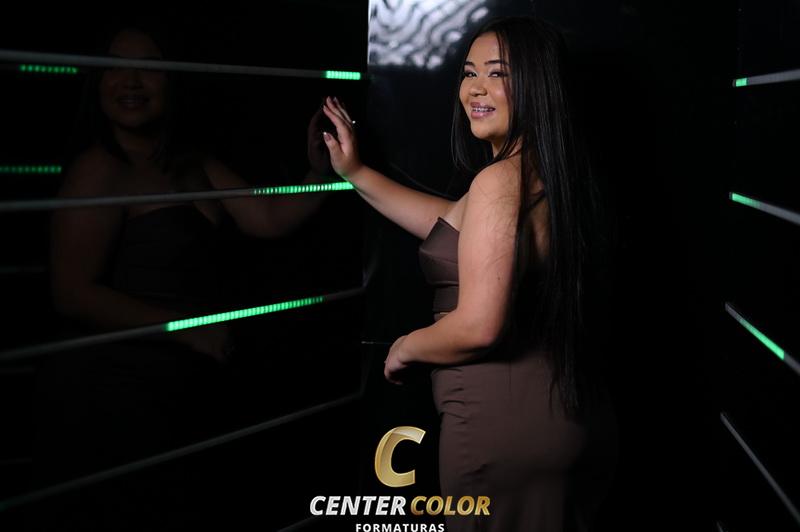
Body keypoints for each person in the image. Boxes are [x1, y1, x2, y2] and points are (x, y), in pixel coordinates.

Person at [32, 22, 337, 531]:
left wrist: (322, 170)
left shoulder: (193, 163)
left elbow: (268, 219)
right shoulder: (98, 170)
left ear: (172, 78)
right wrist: (187, 330)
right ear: (97, 81)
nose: (131, 82)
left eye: (148, 68)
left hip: (178, 389)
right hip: (112, 394)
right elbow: (71, 293)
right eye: (115, 68)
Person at [320, 15, 618, 532]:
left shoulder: (498, 182)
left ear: (536, 85)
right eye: (468, 72)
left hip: (498, 431)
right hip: (564, 417)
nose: (475, 88)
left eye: (498, 73)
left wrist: (405, 347)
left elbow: (480, 326)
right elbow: (451, 227)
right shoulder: (545, 177)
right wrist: (357, 173)